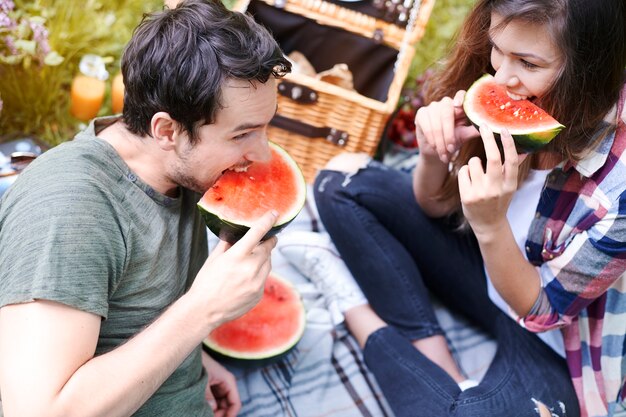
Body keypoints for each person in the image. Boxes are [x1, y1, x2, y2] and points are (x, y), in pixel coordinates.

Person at [278, 0, 626, 416]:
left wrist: (492, 226)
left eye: (528, 64)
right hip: (481, 269)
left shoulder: (619, 186)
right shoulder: (512, 86)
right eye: (498, 49)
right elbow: (434, 207)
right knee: (340, 183)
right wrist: (430, 155)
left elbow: (544, 312)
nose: (501, 76)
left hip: (555, 339)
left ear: (588, 72)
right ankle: (435, 360)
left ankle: (356, 311)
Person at [0, 0, 291, 416]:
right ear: (167, 130)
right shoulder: (69, 212)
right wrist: (203, 310)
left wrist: (196, 363)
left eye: (266, 125)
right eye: (243, 134)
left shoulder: (182, 164)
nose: (262, 154)